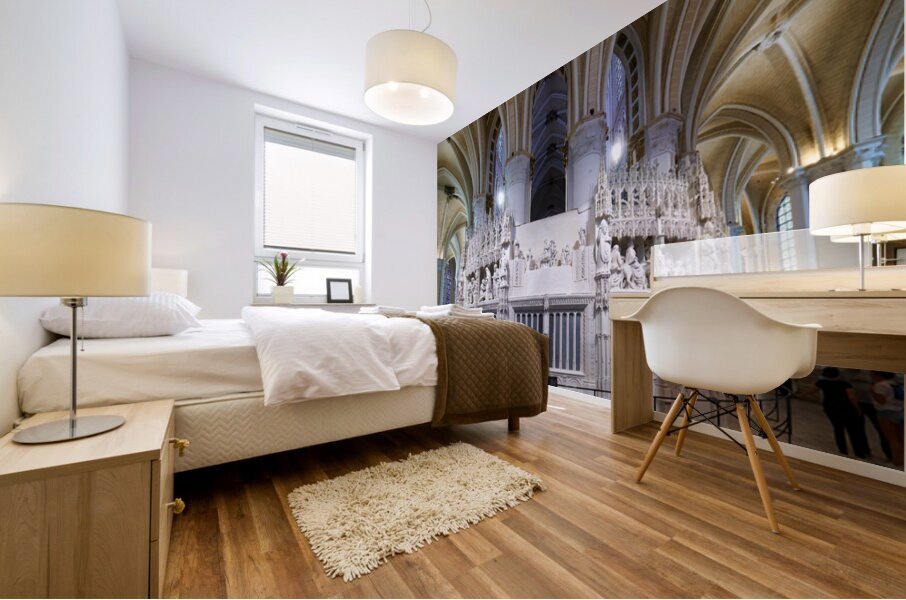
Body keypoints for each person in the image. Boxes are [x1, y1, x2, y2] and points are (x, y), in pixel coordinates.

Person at [813, 367, 870, 458]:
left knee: (838, 429)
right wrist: (858, 408)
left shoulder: (822, 383)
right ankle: (859, 452)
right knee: (853, 431)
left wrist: (797, 395)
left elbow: (810, 390)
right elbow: (852, 397)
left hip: (831, 408)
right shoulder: (844, 384)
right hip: (847, 408)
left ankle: (843, 450)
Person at [870, 371, 905, 468]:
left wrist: (872, 391)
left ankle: (896, 462)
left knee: (892, 439)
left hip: (886, 413)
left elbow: (881, 401)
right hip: (899, 411)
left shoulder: (880, 385)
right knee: (900, 439)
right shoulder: (896, 384)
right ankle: (901, 460)